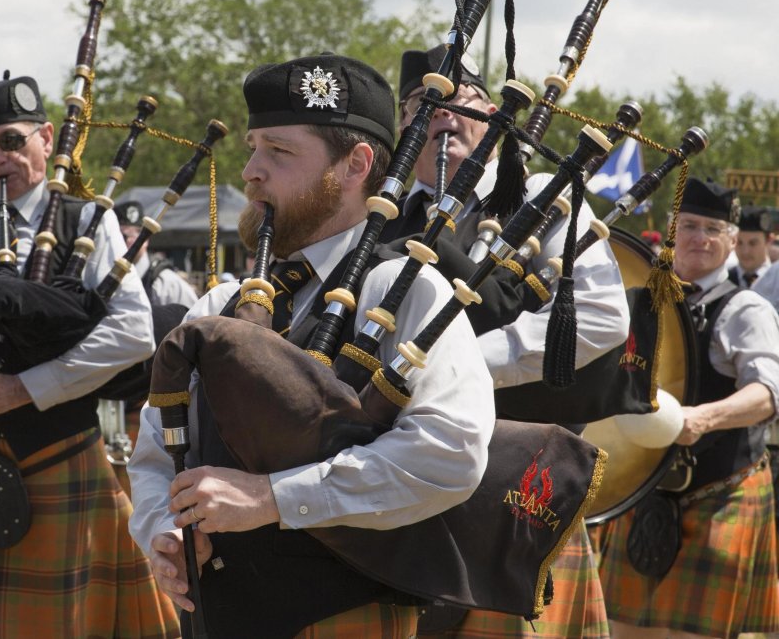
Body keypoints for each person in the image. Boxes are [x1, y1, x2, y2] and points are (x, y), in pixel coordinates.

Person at [128, 53, 496, 636]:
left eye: (279, 151)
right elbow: (153, 453)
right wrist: (162, 530)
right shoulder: (217, 306)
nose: (251, 170)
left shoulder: (402, 289)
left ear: (354, 165)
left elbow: (450, 453)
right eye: (252, 148)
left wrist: (272, 498)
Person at [0, 72, 177, 636]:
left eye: (11, 141)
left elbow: (133, 332)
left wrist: (28, 387)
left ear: (47, 139)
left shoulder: (88, 222)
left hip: (58, 454)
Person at [391, 44, 629, 638]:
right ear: (402, 130)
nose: (441, 113)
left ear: (494, 115)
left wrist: (461, 363)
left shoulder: (540, 194)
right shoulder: (388, 214)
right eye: (423, 104)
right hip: (404, 475)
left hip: (518, 481)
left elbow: (599, 317)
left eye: (459, 100)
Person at [599, 178, 779, 639]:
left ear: (732, 241)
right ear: (674, 229)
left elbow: (768, 393)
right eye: (690, 225)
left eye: (713, 229)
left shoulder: (745, 310)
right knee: (623, 631)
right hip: (645, 487)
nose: (699, 238)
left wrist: (703, 418)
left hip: (722, 488)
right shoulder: (641, 299)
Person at [115, 199, 200, 307]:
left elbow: (194, 319)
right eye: (118, 236)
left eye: (128, 236)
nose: (123, 242)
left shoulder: (167, 284)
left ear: (145, 240)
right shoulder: (103, 275)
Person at [730, 205, 772, 289]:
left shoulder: (776, 280)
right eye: (739, 242)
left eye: (753, 243)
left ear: (768, 240)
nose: (745, 251)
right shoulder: (723, 281)